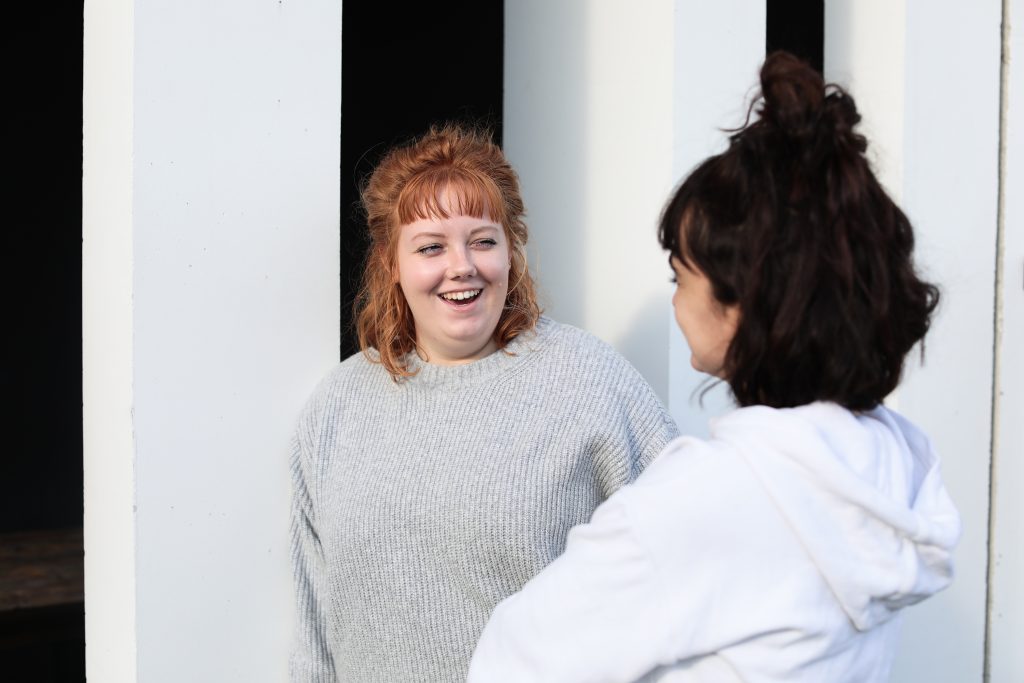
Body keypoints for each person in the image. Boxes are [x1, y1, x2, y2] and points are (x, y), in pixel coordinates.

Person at [468, 52, 961, 682]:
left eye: (682, 276)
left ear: (744, 303)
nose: (675, 299)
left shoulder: (706, 500)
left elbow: (511, 666)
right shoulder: (895, 465)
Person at [288, 124, 678, 682]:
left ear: (510, 251)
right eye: (430, 247)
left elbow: (682, 564)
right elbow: (316, 631)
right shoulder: (337, 406)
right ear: (391, 264)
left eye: (483, 240)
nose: (462, 266)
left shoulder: (587, 380)